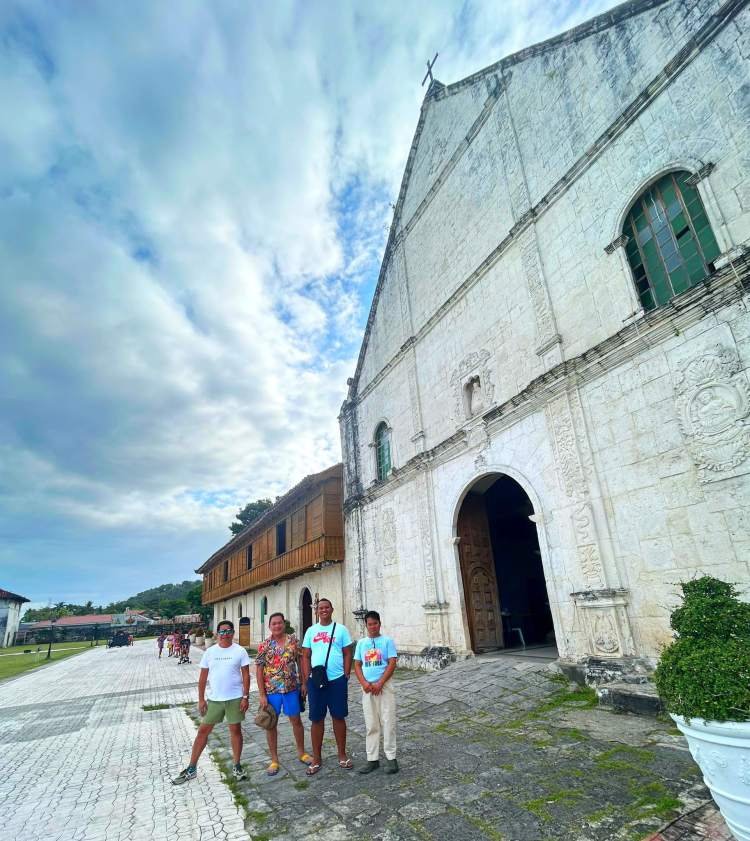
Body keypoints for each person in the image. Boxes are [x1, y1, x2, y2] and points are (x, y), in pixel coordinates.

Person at [172, 620, 251, 785]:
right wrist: (201, 699)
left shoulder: (240, 651)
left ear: (233, 633)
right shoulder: (210, 652)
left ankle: (237, 765)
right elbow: (202, 678)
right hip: (215, 699)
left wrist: (245, 697)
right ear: (217, 633)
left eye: (228, 631)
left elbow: (246, 675)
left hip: (235, 698)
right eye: (222, 631)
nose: (225, 634)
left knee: (235, 731)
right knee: (203, 731)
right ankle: (192, 767)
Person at [255, 612, 313, 775]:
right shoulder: (264, 645)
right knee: (270, 724)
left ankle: (301, 752)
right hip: (271, 691)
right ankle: (274, 760)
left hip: (291, 689)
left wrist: (303, 682)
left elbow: (301, 662)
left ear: (284, 624)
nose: (277, 626)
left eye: (280, 623)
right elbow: (259, 670)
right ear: (270, 626)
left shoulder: (293, 642)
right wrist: (261, 694)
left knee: (296, 721)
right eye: (274, 624)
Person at [300, 598, 353, 776]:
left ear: (332, 609)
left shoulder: (341, 630)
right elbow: (305, 655)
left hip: (337, 679)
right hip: (316, 681)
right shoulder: (311, 631)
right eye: (320, 608)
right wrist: (307, 678)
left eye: (326, 607)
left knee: (338, 717)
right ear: (316, 610)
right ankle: (317, 758)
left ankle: (342, 754)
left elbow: (347, 652)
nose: (323, 610)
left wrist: (346, 673)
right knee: (317, 719)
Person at [353, 610, 399, 774]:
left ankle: (391, 757)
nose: (372, 626)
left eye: (375, 623)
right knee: (371, 723)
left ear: (380, 623)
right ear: (366, 625)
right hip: (368, 688)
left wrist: (380, 682)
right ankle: (372, 759)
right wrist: (364, 683)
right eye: (369, 624)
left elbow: (392, 662)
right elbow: (357, 664)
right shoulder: (361, 643)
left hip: (384, 686)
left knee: (388, 721)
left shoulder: (387, 641)